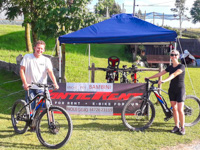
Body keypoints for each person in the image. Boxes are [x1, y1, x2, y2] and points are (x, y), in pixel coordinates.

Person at [20, 40, 59, 130]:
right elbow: (22, 70)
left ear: (44, 50)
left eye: (42, 49)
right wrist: (25, 83)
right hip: (30, 87)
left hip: (42, 87)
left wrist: (55, 83)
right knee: (32, 106)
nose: (40, 50)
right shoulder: (27, 57)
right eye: (38, 48)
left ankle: (52, 125)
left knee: (48, 105)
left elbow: (50, 72)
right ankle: (32, 124)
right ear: (34, 48)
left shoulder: (46, 60)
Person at [145, 50, 186, 135]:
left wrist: (164, 81)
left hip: (180, 90)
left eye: (175, 54)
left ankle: (182, 127)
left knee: (180, 109)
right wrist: (149, 77)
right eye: (172, 55)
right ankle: (176, 126)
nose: (174, 56)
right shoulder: (170, 67)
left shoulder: (181, 66)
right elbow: (161, 73)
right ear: (170, 56)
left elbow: (174, 75)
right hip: (172, 90)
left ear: (178, 56)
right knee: (174, 109)